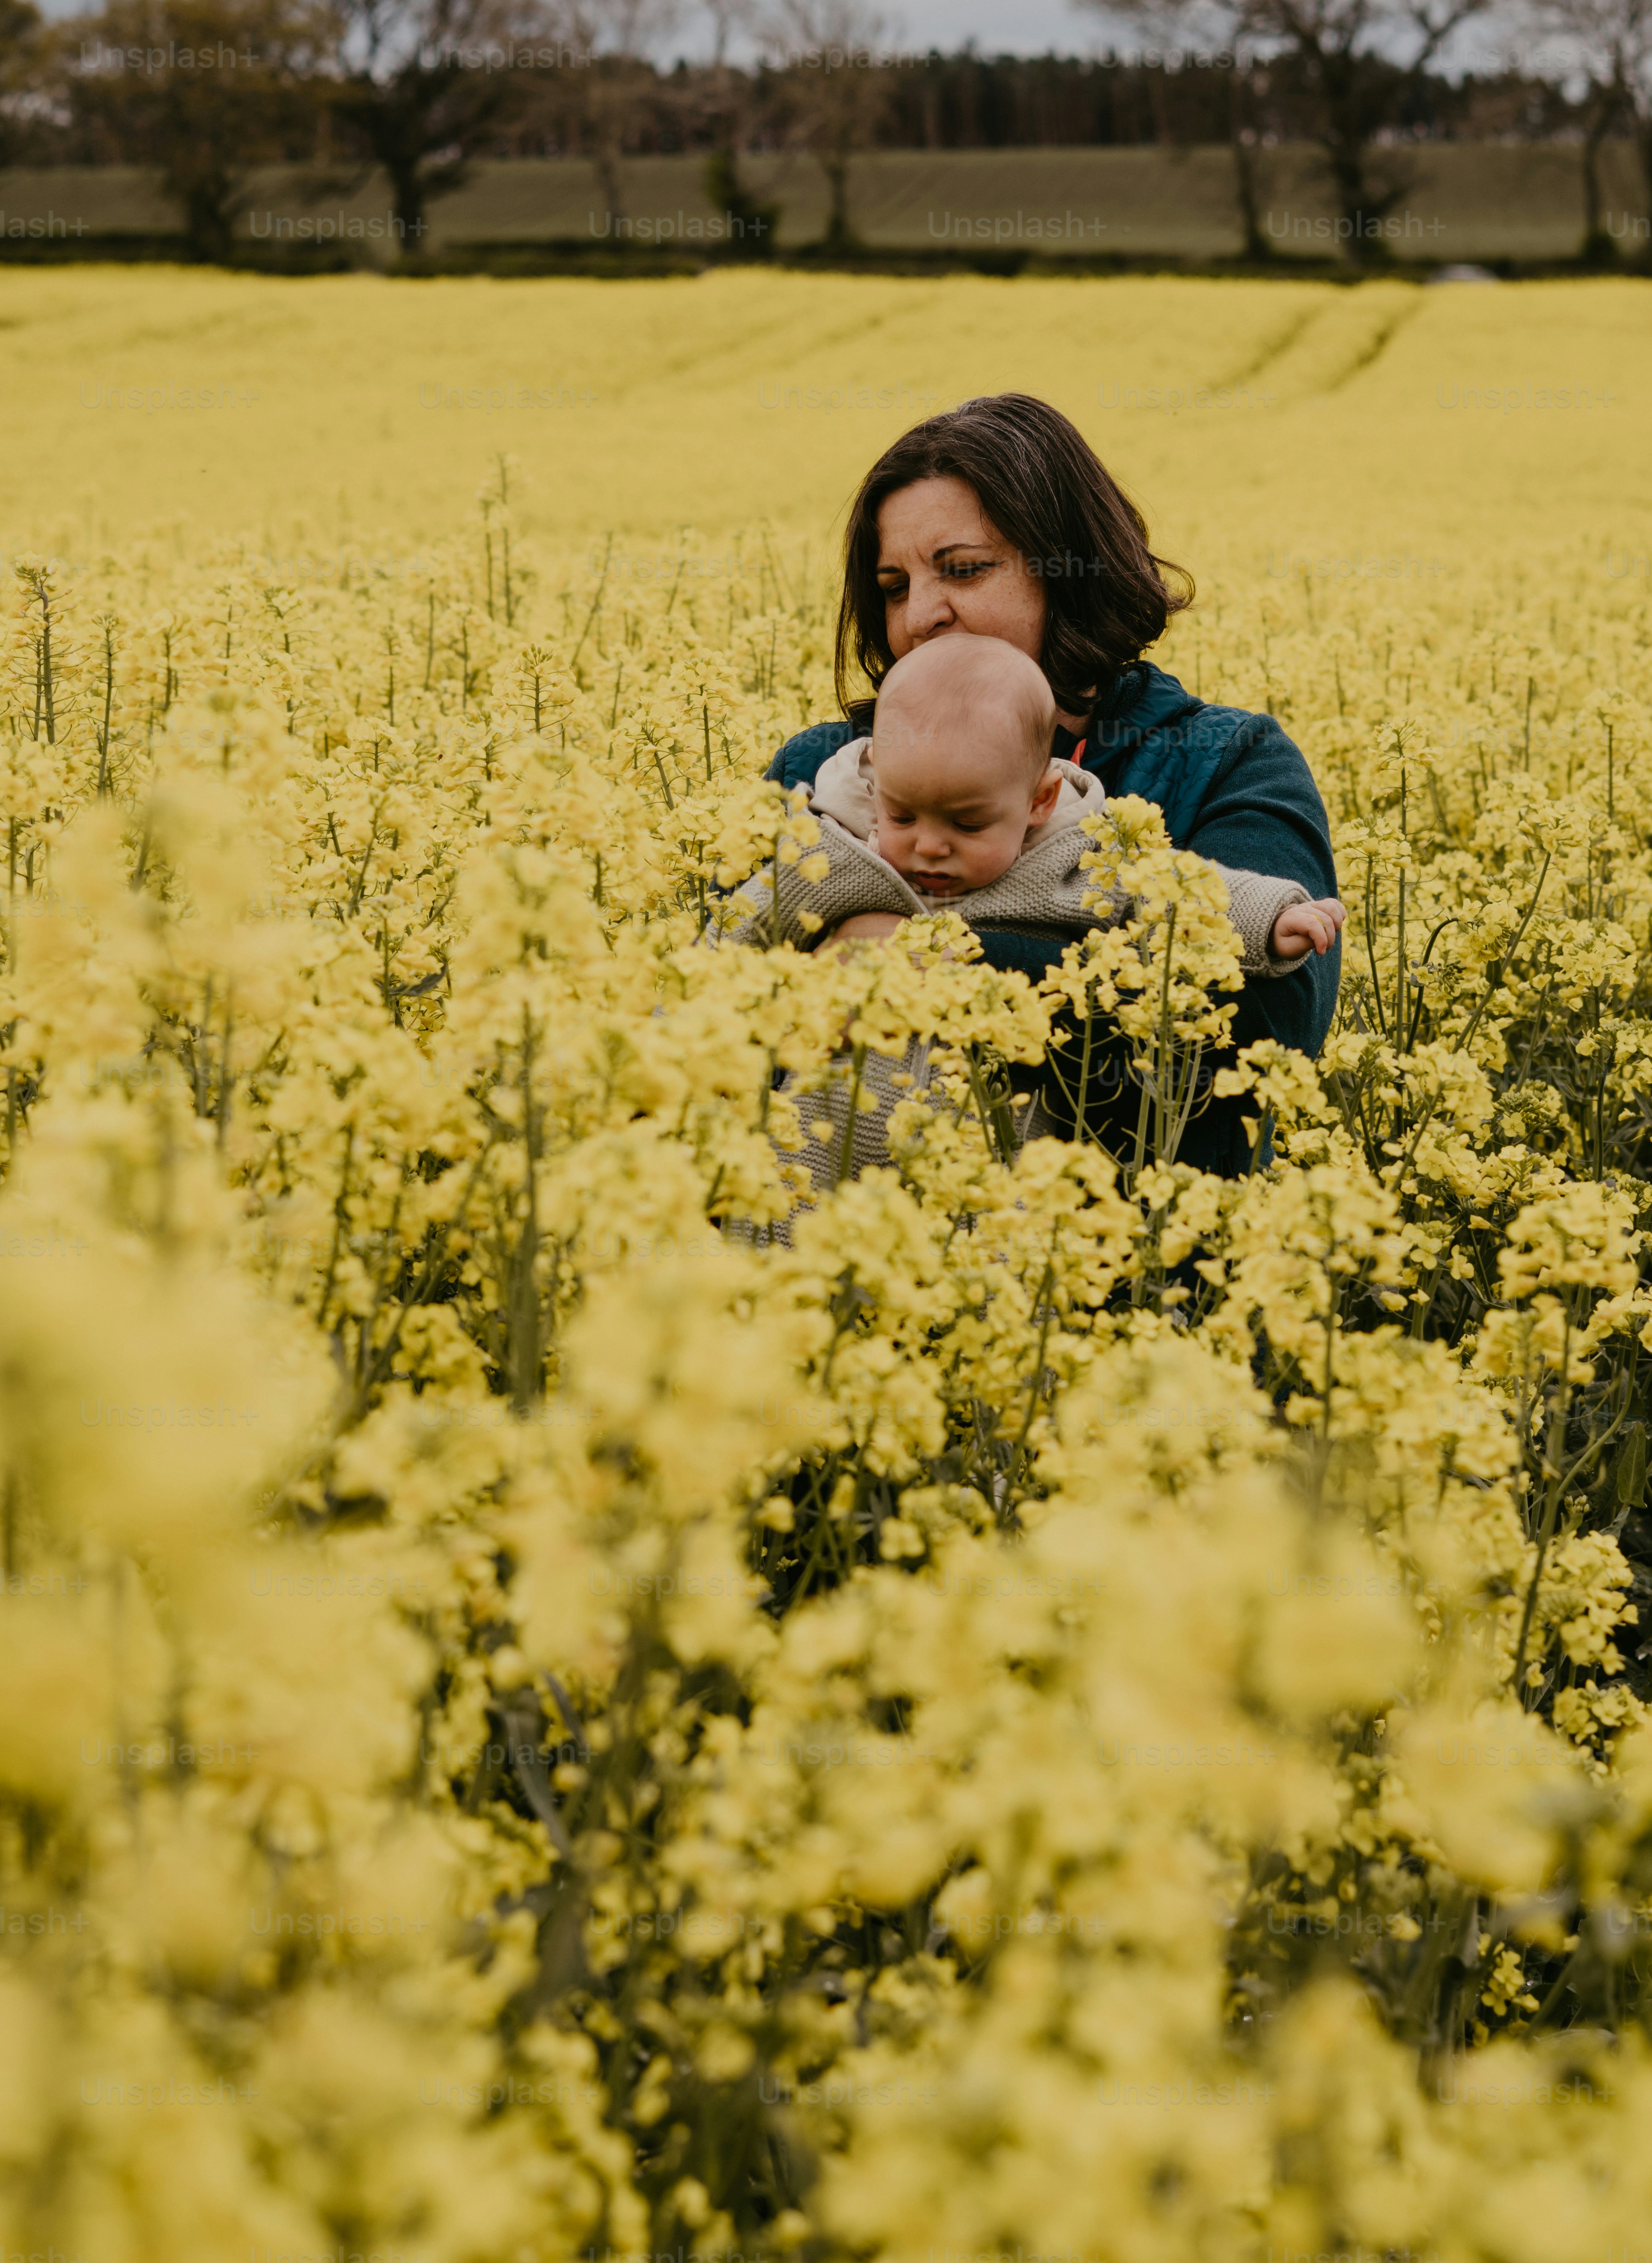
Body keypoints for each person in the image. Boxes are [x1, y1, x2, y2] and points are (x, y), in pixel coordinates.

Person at [764, 392, 1342, 1176]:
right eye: (894, 586)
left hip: (1129, 1271)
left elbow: (1271, 1028)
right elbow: (715, 1008)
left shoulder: (1226, 758)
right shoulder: (821, 771)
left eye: (964, 570)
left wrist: (926, 957)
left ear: (1069, 571)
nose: (922, 615)